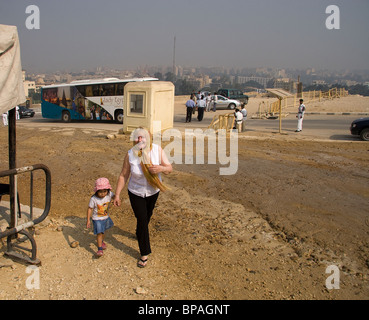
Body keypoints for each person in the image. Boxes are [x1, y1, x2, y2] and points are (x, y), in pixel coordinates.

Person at [114, 127, 172, 268]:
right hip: (136, 193)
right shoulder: (130, 155)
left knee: (146, 217)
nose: (140, 140)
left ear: (149, 137)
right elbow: (123, 175)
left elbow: (169, 168)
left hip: (153, 192)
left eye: (143, 137)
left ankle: (139, 232)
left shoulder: (157, 150)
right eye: (137, 137)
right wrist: (117, 194)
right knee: (142, 219)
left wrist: (161, 169)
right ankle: (144, 252)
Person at [86, 177, 115, 257]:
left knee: (103, 231)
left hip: (105, 217)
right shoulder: (93, 199)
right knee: (99, 233)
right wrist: (88, 220)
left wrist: (117, 200)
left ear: (108, 190)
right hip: (97, 219)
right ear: (96, 191)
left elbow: (115, 196)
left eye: (104, 191)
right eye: (100, 192)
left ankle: (101, 242)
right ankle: (99, 249)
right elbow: (90, 209)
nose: (103, 193)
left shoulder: (109, 194)